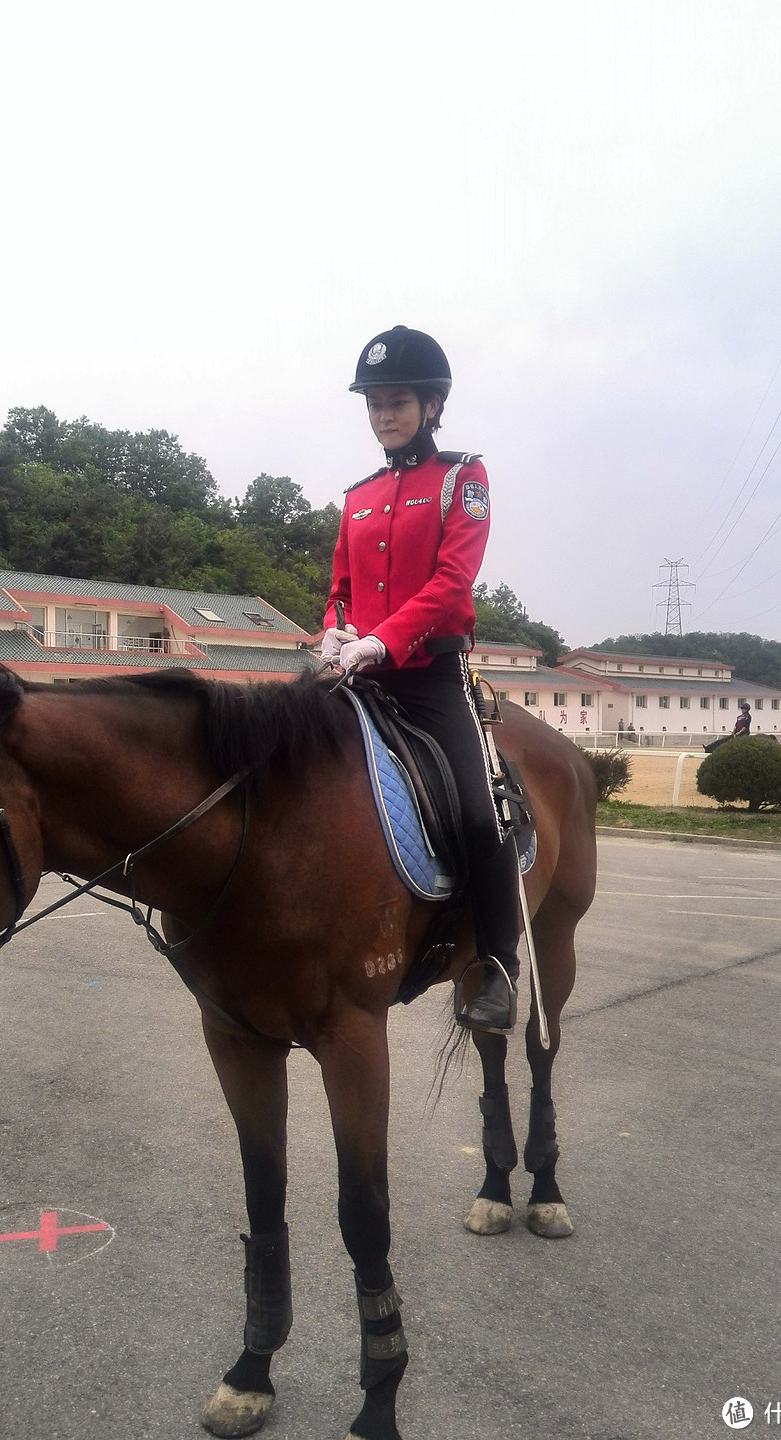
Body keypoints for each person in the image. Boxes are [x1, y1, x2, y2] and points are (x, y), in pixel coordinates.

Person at [322, 325, 520, 1033]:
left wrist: (383, 639)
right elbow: (342, 585)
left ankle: (497, 963)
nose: (383, 414)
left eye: (397, 401)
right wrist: (336, 627)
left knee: (477, 812)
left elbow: (451, 582)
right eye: (373, 403)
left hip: (430, 681)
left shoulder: (463, 479)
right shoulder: (357, 495)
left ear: (432, 404)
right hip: (360, 675)